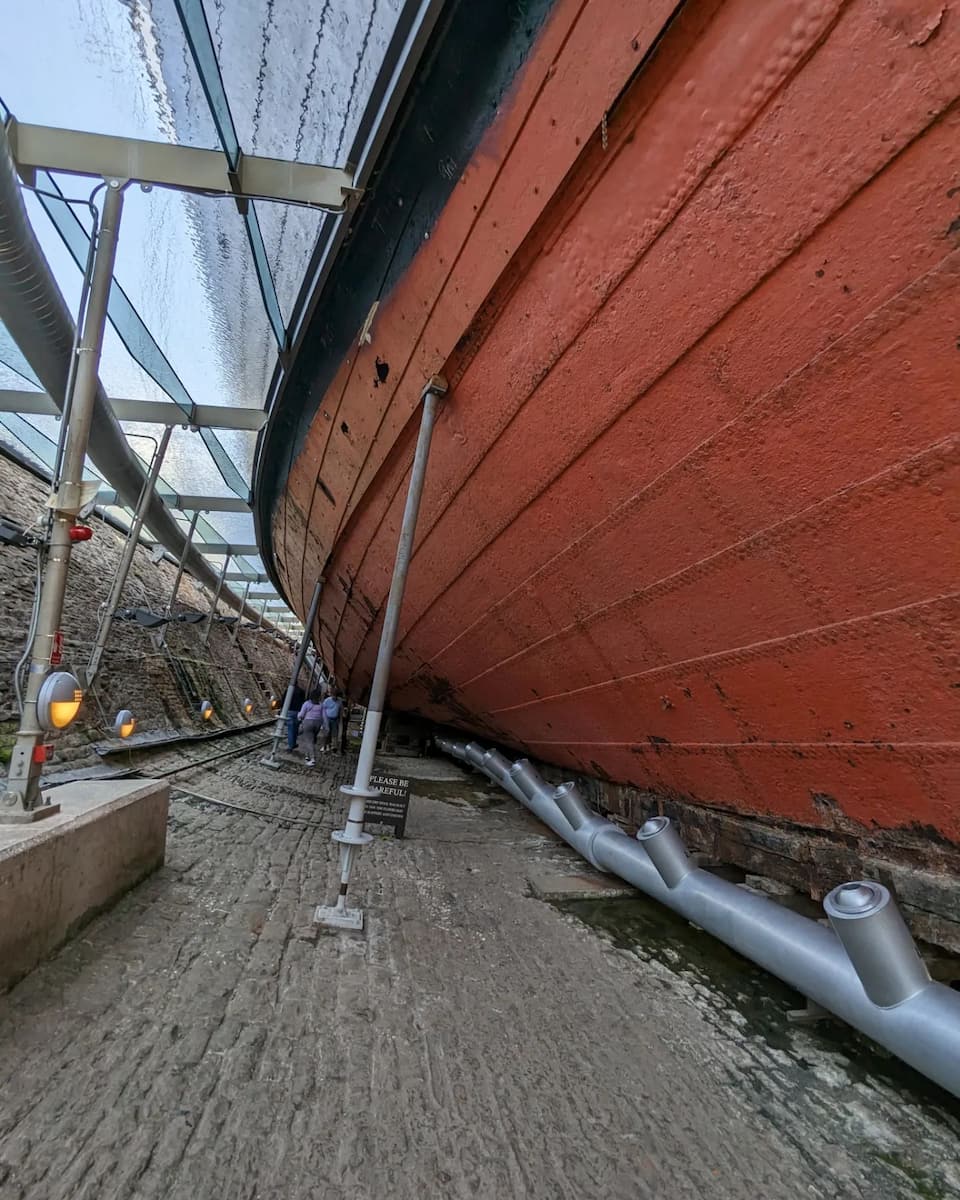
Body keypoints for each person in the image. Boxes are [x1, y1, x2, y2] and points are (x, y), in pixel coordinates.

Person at [298, 690, 325, 766]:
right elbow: (324, 716)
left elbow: (301, 714)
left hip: (308, 722)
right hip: (318, 724)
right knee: (312, 739)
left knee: (309, 741)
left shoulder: (307, 704)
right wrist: (325, 725)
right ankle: (307, 755)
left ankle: (313, 759)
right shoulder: (321, 705)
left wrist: (298, 716)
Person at [287, 682, 305, 751]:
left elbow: (283, 700)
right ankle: (293, 743)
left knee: (290, 729)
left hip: (289, 711)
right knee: (296, 728)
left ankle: (290, 745)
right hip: (298, 712)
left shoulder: (288, 690)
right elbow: (303, 702)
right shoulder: (301, 691)